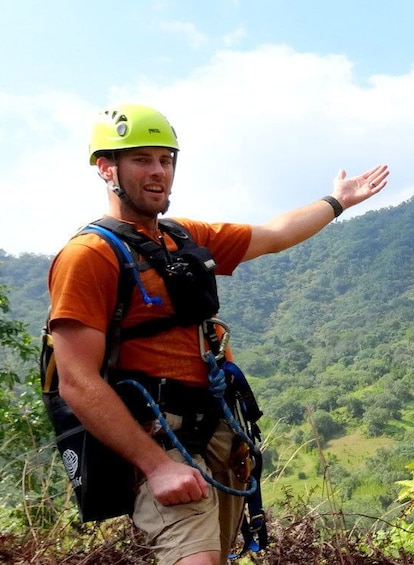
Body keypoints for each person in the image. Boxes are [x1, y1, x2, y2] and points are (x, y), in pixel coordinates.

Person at [47, 103, 389, 565]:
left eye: (166, 160)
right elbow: (77, 382)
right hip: (161, 437)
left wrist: (336, 202)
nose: (158, 172)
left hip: (218, 431)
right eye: (141, 160)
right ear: (107, 168)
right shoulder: (88, 256)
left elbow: (272, 234)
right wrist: (157, 465)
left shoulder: (182, 236)